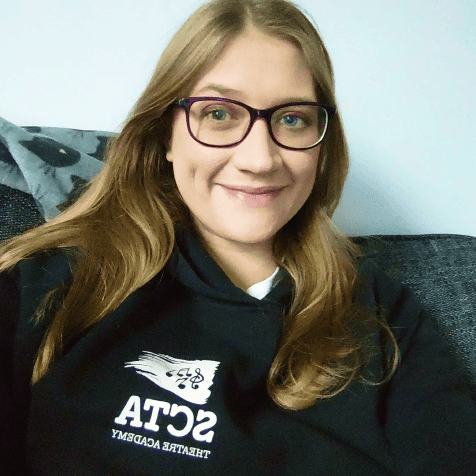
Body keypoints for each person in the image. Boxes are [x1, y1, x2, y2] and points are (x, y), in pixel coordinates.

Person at [0, 0, 475, 474]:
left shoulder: (388, 320)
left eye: (293, 118)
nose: (259, 160)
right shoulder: (47, 288)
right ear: (165, 135)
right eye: (219, 114)